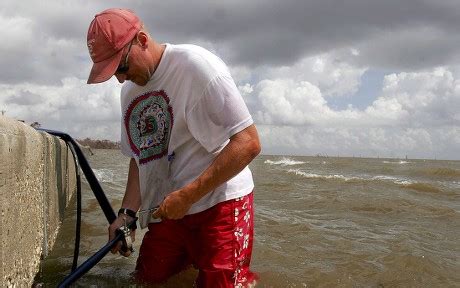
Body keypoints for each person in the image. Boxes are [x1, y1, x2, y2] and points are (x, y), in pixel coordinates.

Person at [86, 8, 261, 287]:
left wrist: (190, 195)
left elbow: (248, 143)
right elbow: (139, 157)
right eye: (112, 73)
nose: (119, 78)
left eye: (121, 66)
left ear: (142, 40)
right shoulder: (129, 92)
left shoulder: (198, 67)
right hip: (167, 210)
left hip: (220, 203)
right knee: (146, 280)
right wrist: (127, 214)